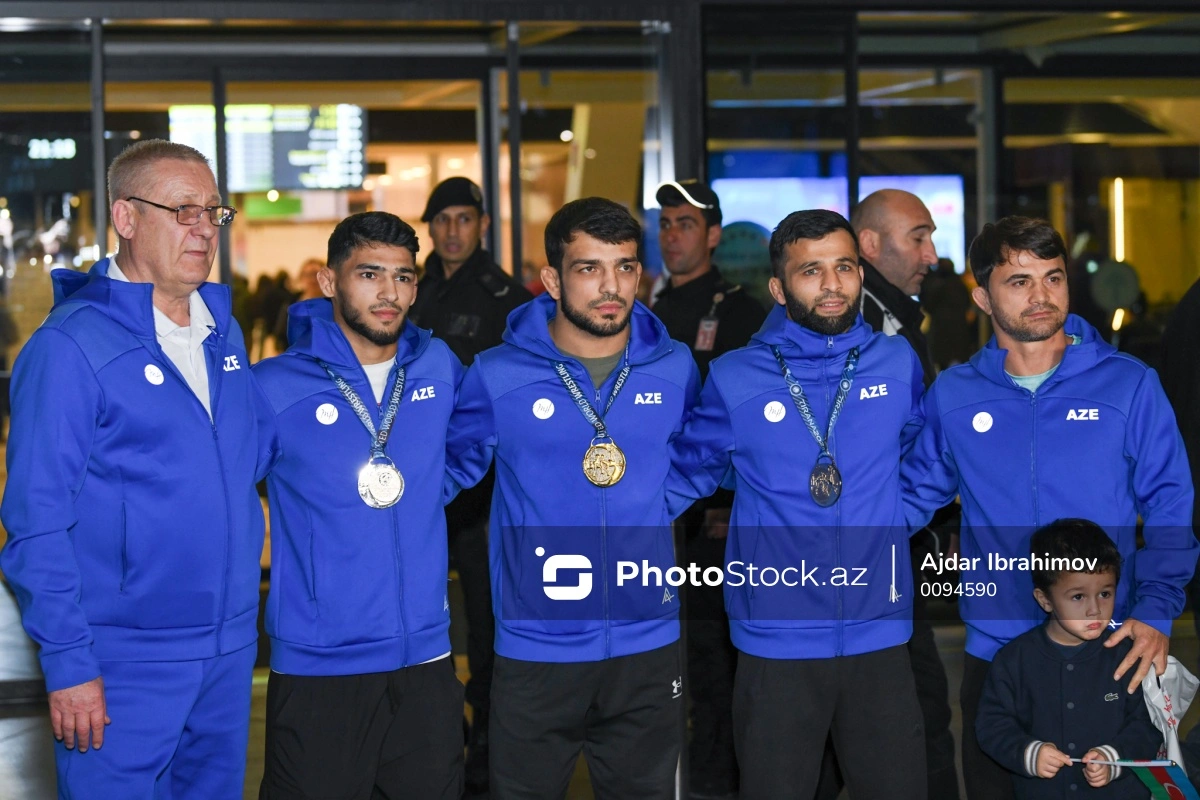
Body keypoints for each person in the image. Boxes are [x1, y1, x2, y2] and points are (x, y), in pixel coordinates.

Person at [0, 139, 277, 798]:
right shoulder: (70, 348)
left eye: (213, 212)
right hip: (125, 659)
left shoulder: (223, 334)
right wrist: (68, 663)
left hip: (228, 649)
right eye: (182, 210)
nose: (203, 229)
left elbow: (242, 462)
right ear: (125, 219)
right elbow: (35, 524)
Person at [901, 215, 1197, 800]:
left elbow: (1170, 503)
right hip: (998, 650)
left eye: (1053, 278)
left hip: (1110, 647)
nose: (1042, 297)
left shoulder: (1128, 385)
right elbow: (907, 498)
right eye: (1019, 281)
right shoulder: (955, 395)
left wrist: (1157, 610)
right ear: (982, 295)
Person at [447, 197, 701, 799]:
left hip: (648, 644)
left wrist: (655, 505)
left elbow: (699, 456)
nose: (611, 287)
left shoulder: (676, 367)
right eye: (590, 269)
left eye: (626, 267)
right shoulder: (494, 375)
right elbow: (446, 474)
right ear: (553, 280)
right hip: (536, 645)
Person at [669, 209, 927, 799]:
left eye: (844, 267)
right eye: (811, 271)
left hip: (880, 636)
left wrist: (892, 519)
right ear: (780, 289)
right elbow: (684, 476)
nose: (832, 285)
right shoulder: (734, 377)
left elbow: (922, 457)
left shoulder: (897, 361)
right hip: (775, 640)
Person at [253, 212, 467, 798]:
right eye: (369, 274)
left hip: (426, 662)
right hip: (321, 665)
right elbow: (222, 488)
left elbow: (475, 437)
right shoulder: (273, 387)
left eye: (403, 277)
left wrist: (423, 492)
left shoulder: (438, 366)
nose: (388, 293)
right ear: (328, 282)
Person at [409, 176, 532, 792]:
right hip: (419, 490)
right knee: (417, 620)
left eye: (464, 218)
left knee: (488, 631)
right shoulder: (411, 286)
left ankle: (486, 759)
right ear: (429, 227)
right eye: (442, 219)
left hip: (483, 495)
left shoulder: (504, 297)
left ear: (482, 224)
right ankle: (432, 745)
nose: (452, 230)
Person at [651, 179, 765, 800]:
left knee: (716, 672)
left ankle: (718, 785)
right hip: (658, 520)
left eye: (686, 223)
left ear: (714, 235)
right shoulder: (646, 314)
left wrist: (729, 505)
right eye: (666, 223)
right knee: (671, 673)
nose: (673, 234)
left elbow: (746, 423)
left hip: (714, 529)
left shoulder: (742, 312)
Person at [851, 188, 960, 799]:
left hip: (897, 540)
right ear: (871, 245)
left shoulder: (901, 317)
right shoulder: (861, 324)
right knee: (914, 712)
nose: (931, 252)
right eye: (917, 236)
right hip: (872, 549)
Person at [976, 519, 1163, 799]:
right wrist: (1028, 752)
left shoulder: (1127, 655)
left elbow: (1148, 726)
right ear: (1045, 600)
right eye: (1077, 596)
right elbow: (992, 725)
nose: (1094, 610)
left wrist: (1115, 757)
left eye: (1105, 593)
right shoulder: (1013, 660)